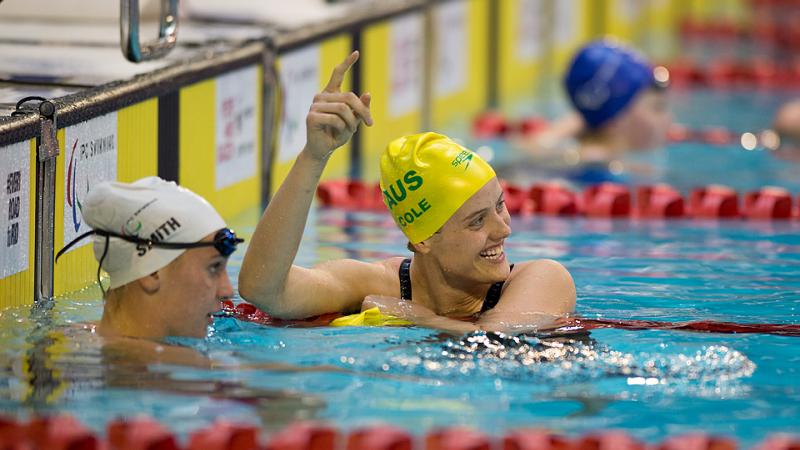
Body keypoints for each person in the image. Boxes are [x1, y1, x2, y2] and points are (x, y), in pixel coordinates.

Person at [239, 51, 576, 334]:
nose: (504, 228)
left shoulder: (543, 278)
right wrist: (313, 157)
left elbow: (495, 344)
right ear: (423, 239)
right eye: (477, 221)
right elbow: (264, 290)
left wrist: (421, 320)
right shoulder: (372, 285)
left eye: (499, 206)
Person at [516, 39, 671, 185]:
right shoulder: (609, 173)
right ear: (616, 116)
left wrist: (593, 115)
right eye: (657, 108)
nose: (668, 119)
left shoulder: (566, 154)